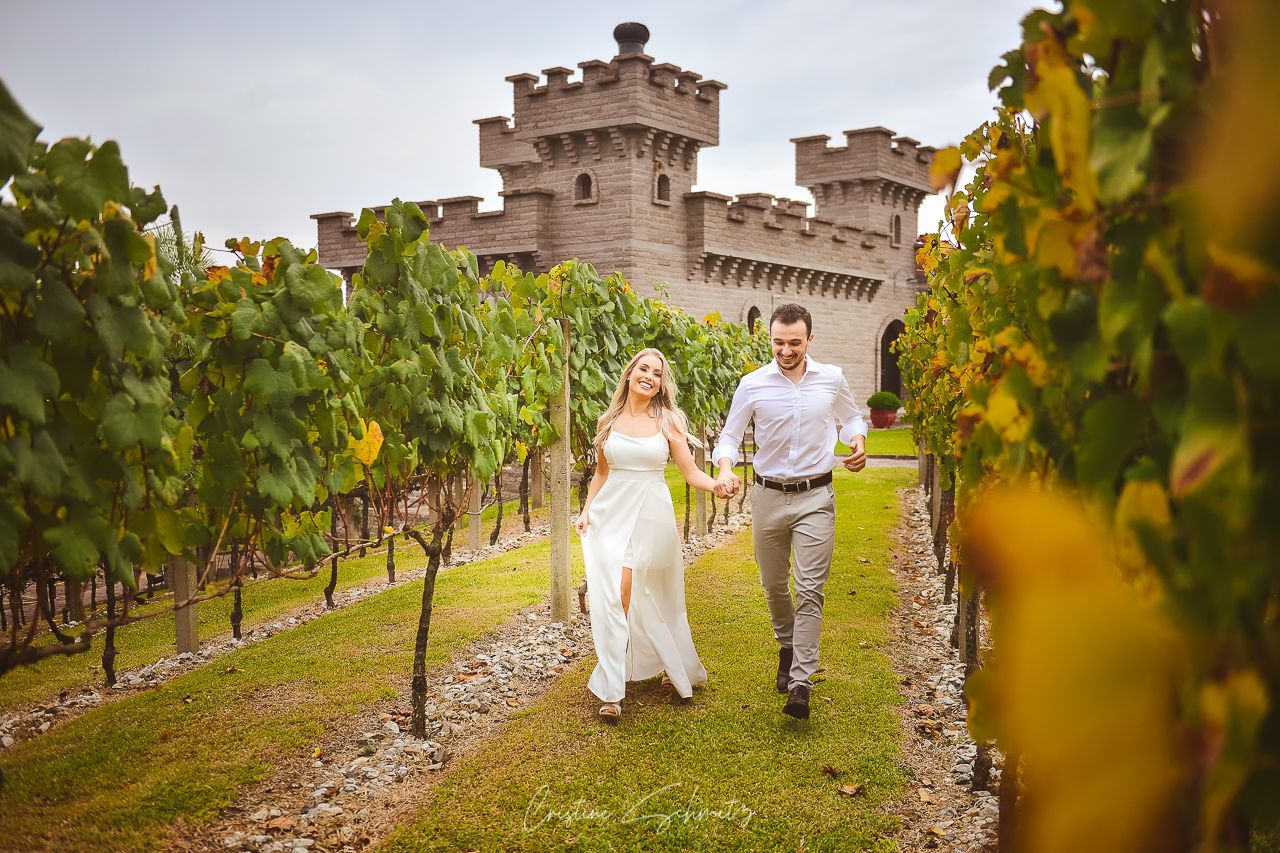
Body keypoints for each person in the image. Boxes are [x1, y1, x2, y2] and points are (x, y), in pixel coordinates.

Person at [712, 303, 867, 720]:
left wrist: (857, 440)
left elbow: (852, 417)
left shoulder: (831, 378)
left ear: (809, 340)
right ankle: (787, 645)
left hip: (816, 496)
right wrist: (726, 468)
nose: (785, 350)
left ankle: (801, 681)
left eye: (794, 343)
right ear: (771, 340)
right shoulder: (752, 384)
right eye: (778, 342)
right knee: (774, 584)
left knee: (811, 588)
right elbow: (728, 437)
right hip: (767, 496)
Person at [575, 348, 731, 722]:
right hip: (611, 515)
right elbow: (601, 473)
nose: (649, 376)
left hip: (650, 516)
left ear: (661, 384)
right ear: (630, 374)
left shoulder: (669, 421)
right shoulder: (608, 422)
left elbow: (691, 472)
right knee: (614, 597)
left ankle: (659, 668)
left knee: (649, 595)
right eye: (643, 369)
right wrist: (585, 510)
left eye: (657, 373)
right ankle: (613, 689)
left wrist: (718, 485)